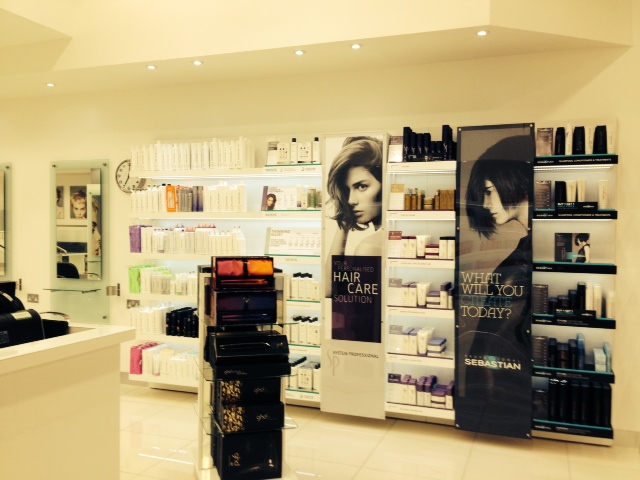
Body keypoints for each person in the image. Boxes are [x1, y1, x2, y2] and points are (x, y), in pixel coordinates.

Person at [459, 135, 533, 437]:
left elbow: (499, 344)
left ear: (513, 179)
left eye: (489, 192)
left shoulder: (526, 258)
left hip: (501, 395)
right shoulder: (527, 250)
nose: (486, 204)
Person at [325, 136, 384, 343]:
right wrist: (344, 224)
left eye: (362, 186)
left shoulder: (370, 247)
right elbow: (330, 289)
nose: (351, 200)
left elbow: (332, 291)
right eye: (347, 189)